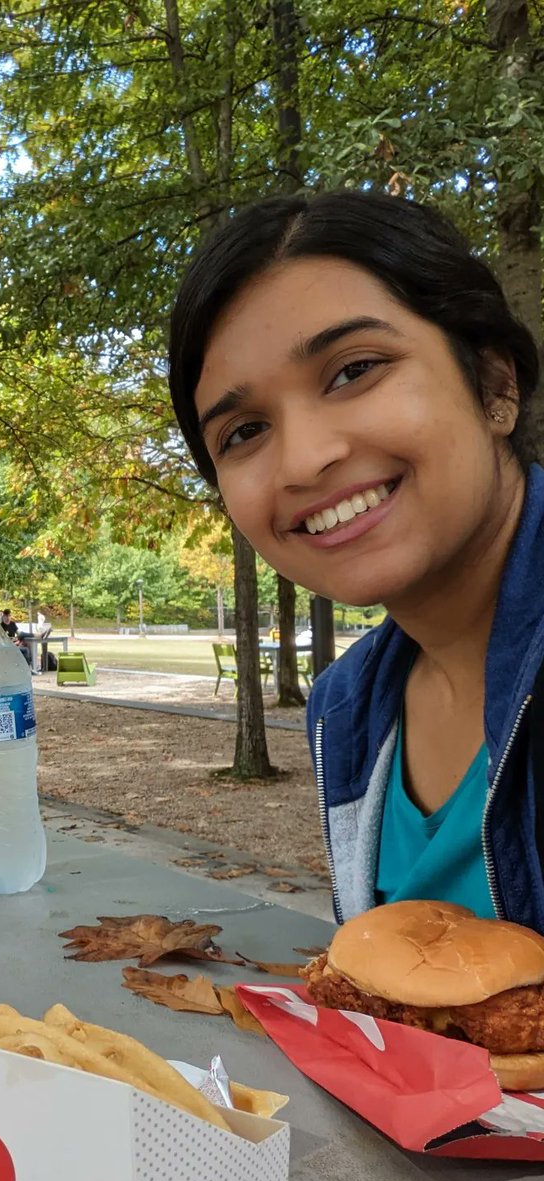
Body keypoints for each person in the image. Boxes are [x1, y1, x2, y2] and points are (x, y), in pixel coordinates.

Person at [167, 189, 544, 934]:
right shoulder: (349, 706)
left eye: (354, 371)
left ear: (496, 383)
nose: (306, 459)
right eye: (243, 432)